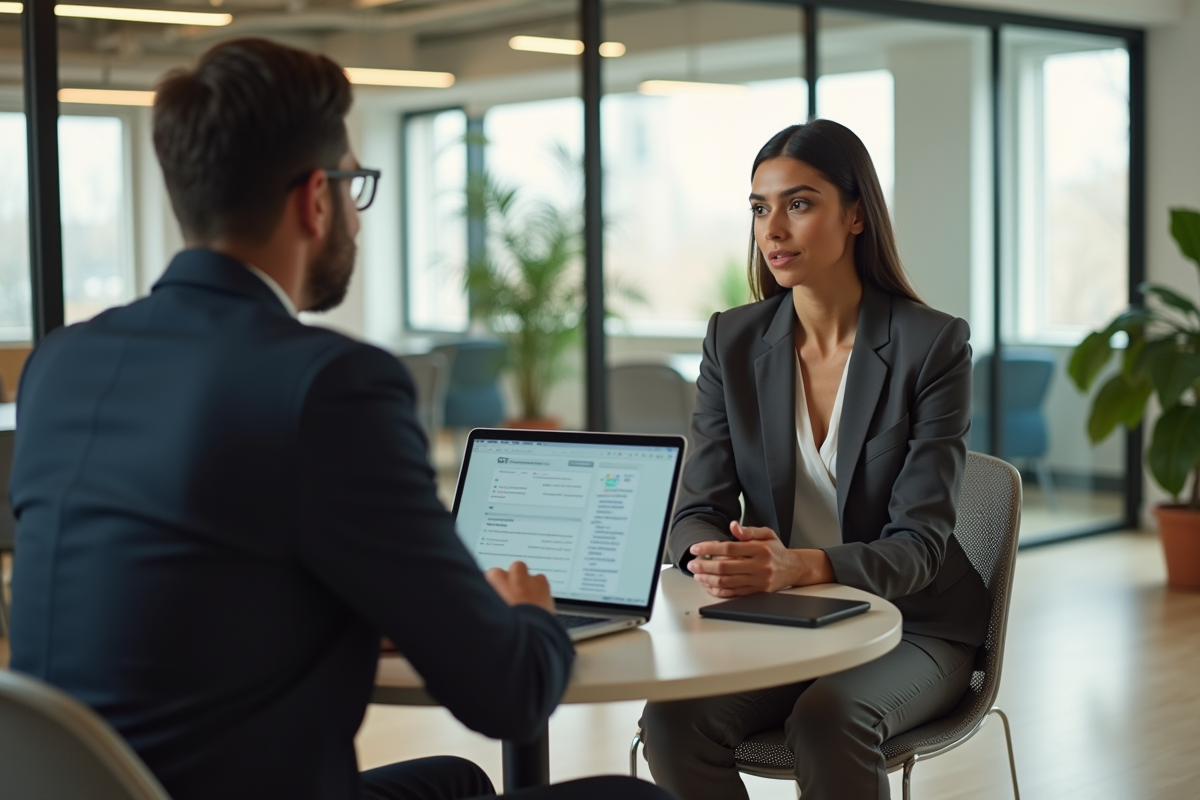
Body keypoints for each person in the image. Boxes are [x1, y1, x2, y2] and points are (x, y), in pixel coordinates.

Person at [8, 38, 669, 800]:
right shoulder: (327, 385)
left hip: (99, 786)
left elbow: (191, 588)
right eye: (355, 187)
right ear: (315, 200)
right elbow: (508, 693)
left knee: (454, 780)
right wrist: (533, 618)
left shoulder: (59, 365)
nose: (356, 215)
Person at [637, 120, 991, 800]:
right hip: (785, 621)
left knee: (830, 720)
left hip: (913, 621)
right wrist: (716, 558)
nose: (773, 229)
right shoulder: (732, 341)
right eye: (759, 208)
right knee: (672, 722)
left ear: (857, 214)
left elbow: (919, 545)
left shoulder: (931, 345)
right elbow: (696, 511)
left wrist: (801, 565)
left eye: (798, 203)